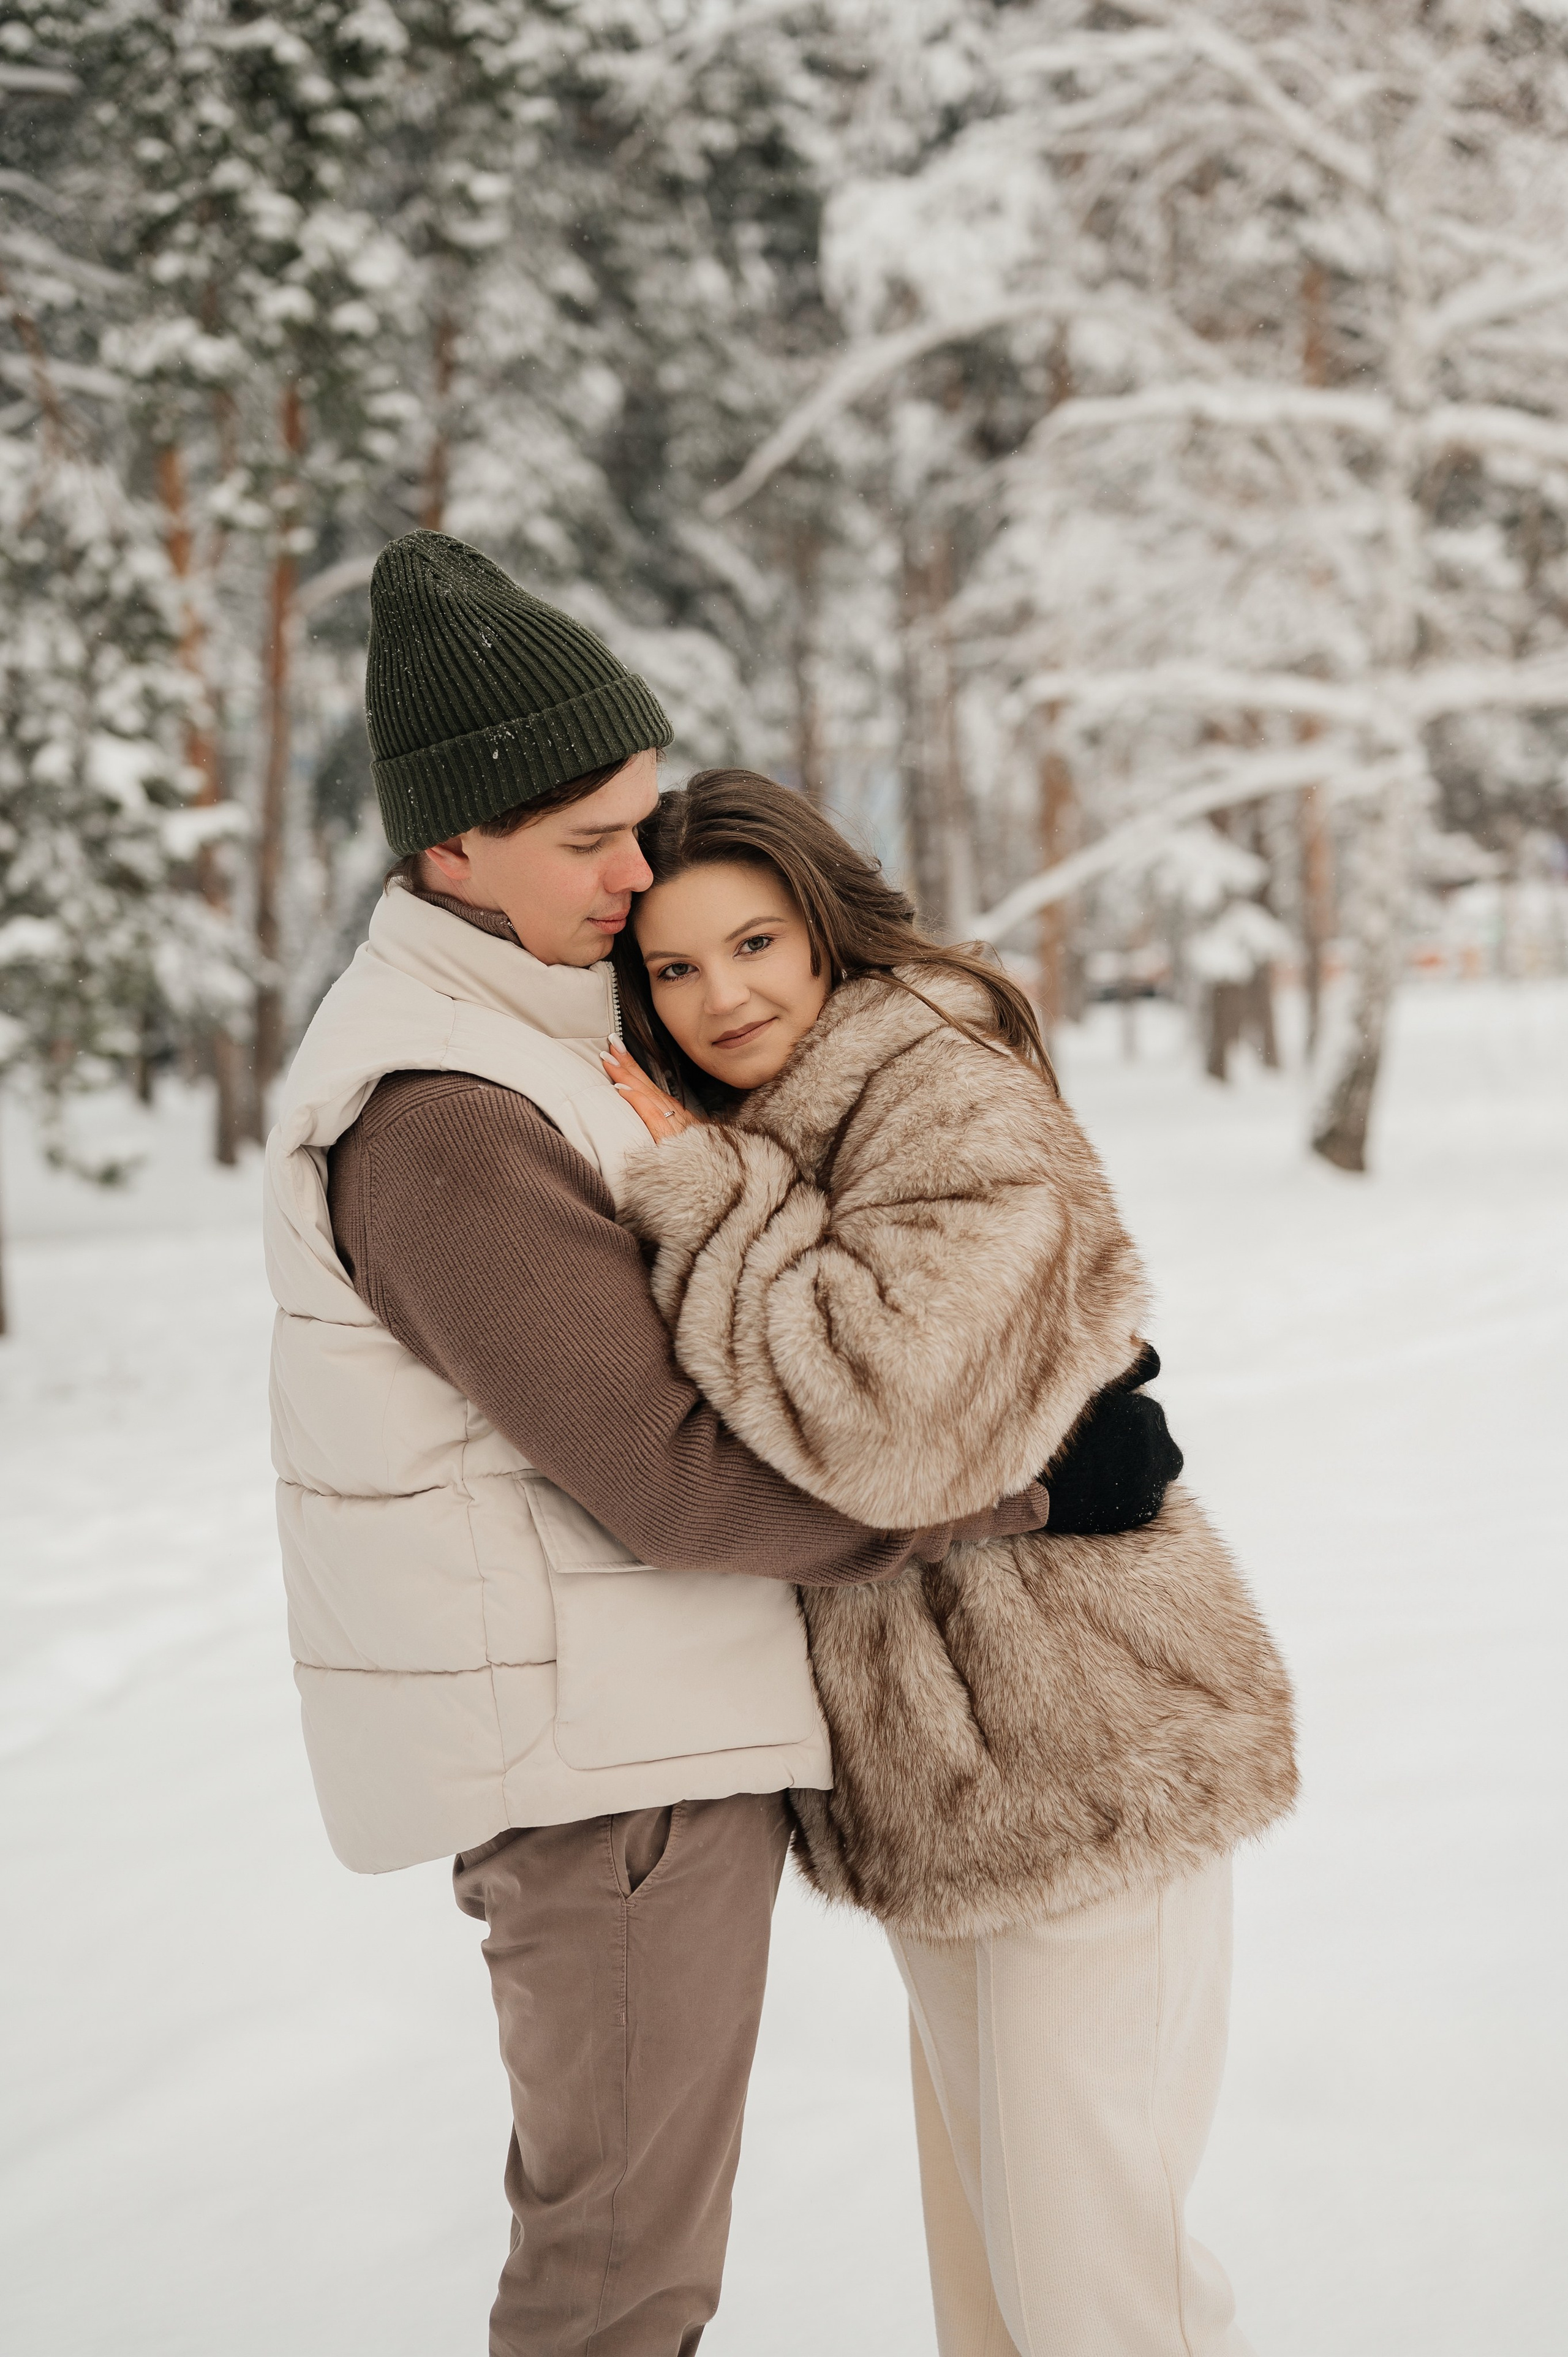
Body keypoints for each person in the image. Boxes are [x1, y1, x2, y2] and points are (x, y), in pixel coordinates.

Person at [262, 534, 1167, 2356]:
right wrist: (1033, 1487)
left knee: (648, 2264)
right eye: (588, 840)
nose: (633, 868)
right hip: (599, 1776)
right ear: (451, 847)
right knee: (620, 2283)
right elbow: (669, 1471)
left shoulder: (542, 1025)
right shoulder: (443, 1114)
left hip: (641, 1737)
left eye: (643, 815)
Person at [606, 769, 1299, 2357]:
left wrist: (711, 1201)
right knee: (995, 2283)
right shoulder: (783, 1118)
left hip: (1094, 1752)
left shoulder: (935, 1082)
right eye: (675, 968)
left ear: (827, 925)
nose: (722, 995)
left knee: (1092, 2288)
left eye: (756, 941)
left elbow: (888, 1425)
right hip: (943, 1784)